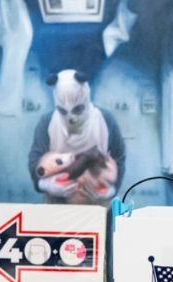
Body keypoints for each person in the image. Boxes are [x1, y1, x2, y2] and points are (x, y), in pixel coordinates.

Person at [28, 69, 126, 205]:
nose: (71, 119)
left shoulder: (105, 121)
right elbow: (35, 161)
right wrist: (45, 184)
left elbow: (119, 158)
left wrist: (111, 190)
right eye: (63, 111)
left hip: (97, 209)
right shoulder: (47, 123)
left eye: (78, 110)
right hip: (57, 208)